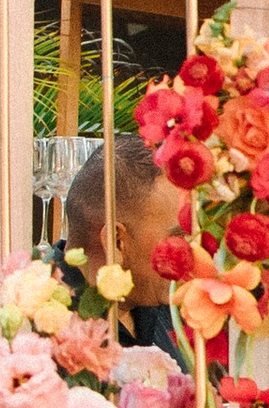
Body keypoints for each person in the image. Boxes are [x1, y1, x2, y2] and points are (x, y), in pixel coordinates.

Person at [63, 141, 185, 356]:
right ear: (116, 241)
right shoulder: (42, 333)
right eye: (179, 237)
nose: (191, 254)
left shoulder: (168, 309)